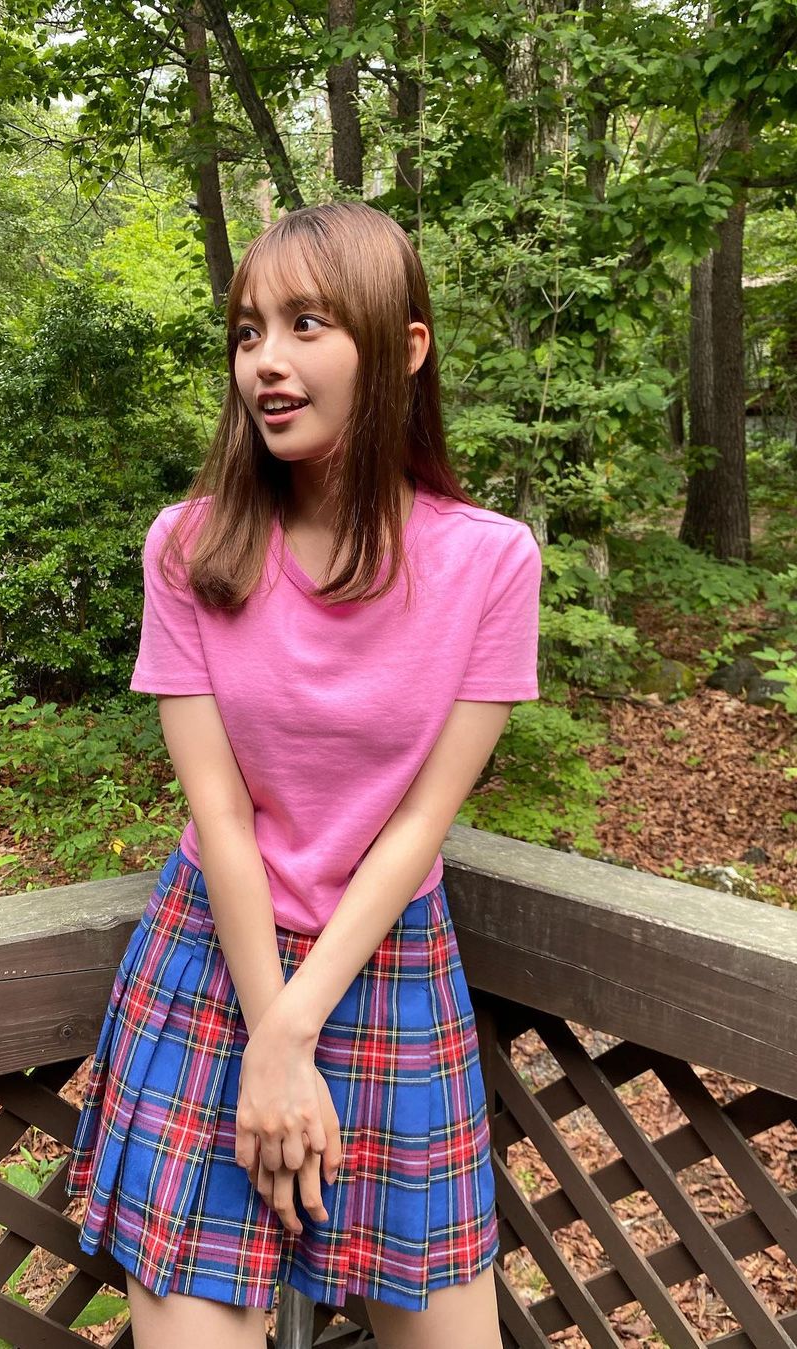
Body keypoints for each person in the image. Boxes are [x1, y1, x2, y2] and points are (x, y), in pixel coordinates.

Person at [64, 201, 542, 1349]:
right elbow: (221, 814)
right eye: (248, 332)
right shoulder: (190, 546)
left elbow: (422, 818)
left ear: (405, 346)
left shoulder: (490, 561)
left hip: (388, 963)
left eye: (306, 324)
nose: (265, 362)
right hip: (211, 962)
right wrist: (266, 1029)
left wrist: (290, 1032)